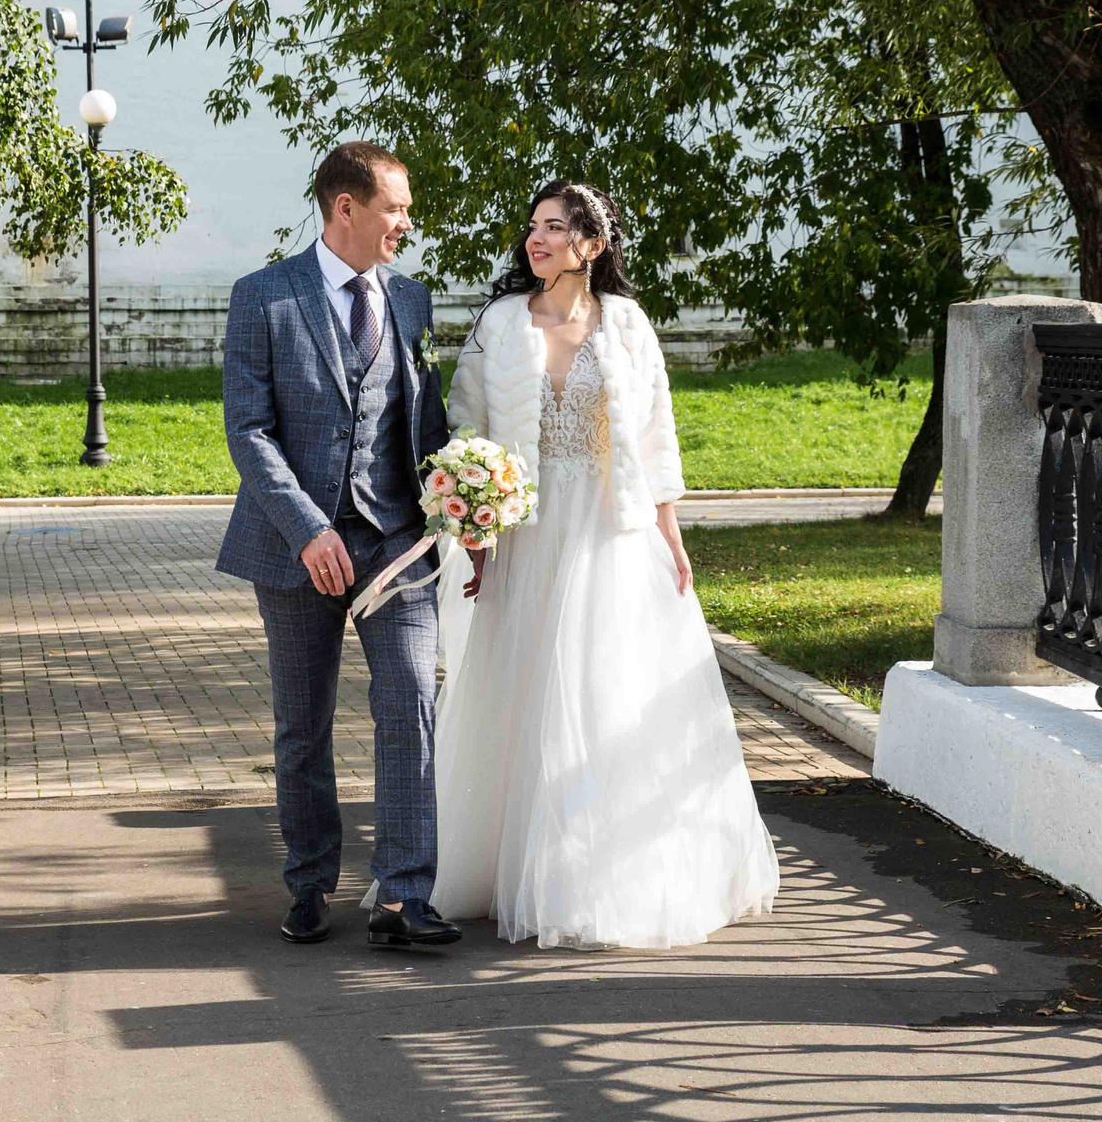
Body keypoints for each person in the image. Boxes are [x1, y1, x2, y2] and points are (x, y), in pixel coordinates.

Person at [429, 180, 779, 948]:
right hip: (525, 532)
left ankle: (596, 873)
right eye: (532, 226)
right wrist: (476, 519)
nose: (537, 239)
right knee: (517, 692)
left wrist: (671, 528)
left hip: (609, 531)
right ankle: (496, 864)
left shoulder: (626, 325)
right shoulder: (499, 322)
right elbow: (466, 420)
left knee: (602, 690)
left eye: (555, 227)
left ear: (592, 243)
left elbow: (656, 433)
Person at [217, 142, 458, 949]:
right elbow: (248, 432)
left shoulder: (413, 299)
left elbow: (422, 424)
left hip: (395, 541)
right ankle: (311, 881)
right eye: (395, 207)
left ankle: (404, 893)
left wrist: (460, 504)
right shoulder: (264, 298)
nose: (406, 222)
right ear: (344, 208)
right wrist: (307, 527)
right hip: (296, 547)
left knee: (411, 700)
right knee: (303, 723)